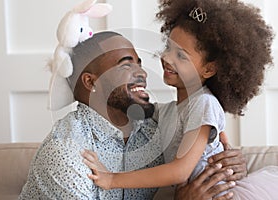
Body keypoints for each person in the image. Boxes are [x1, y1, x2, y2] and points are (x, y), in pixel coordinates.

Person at [82, 0, 278, 199]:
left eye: (181, 56)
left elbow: (180, 171)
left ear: (208, 69)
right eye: (168, 47)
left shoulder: (204, 103)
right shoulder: (168, 111)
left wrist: (112, 180)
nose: (167, 58)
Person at [19, 30, 247, 199]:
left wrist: (230, 163)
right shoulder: (68, 153)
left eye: (140, 64)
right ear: (92, 82)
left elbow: (195, 138)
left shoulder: (152, 130)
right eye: (126, 66)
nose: (142, 73)